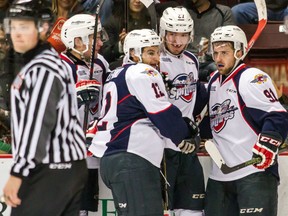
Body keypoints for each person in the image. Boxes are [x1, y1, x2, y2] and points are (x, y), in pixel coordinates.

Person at [88, 28, 199, 216]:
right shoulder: (142, 72)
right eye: (150, 52)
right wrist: (185, 135)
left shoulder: (116, 74)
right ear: (133, 53)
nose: (157, 59)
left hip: (117, 159)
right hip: (131, 159)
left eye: (157, 52)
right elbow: (162, 112)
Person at [1, 1, 88, 215]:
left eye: (25, 26)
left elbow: (39, 124)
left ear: (42, 28)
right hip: (62, 167)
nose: (17, 34)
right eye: (13, 26)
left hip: (50, 166)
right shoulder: (42, 63)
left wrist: (18, 173)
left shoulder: (43, 69)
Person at [204, 25, 288, 216]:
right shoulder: (212, 82)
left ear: (239, 52)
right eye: (215, 52)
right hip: (220, 177)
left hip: (253, 173)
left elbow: (277, 114)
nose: (218, 58)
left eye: (224, 52)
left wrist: (269, 141)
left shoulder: (251, 78)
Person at [159, 7, 208, 216]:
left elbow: (194, 99)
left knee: (193, 209)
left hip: (187, 147)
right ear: (162, 32)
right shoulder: (153, 58)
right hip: (162, 148)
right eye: (172, 34)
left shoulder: (192, 60)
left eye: (183, 35)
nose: (177, 41)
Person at [60, 13, 110, 216]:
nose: (100, 43)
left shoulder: (100, 64)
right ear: (77, 40)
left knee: (85, 208)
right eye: (94, 37)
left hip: (91, 150)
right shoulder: (58, 66)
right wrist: (75, 97)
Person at [183, 0, 235, 82]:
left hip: (210, 62)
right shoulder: (180, 12)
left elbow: (229, 44)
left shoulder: (224, 12)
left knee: (220, 68)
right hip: (184, 61)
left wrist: (211, 48)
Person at [101, 0, 152, 69]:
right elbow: (105, 54)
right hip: (123, 65)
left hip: (149, 62)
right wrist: (121, 45)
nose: (137, 1)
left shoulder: (152, 20)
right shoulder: (113, 22)